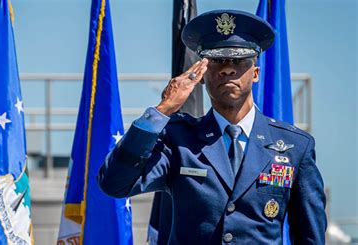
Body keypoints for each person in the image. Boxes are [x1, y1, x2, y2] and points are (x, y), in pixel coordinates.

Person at [97, 9, 327, 244]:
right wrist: (163, 110)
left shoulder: (294, 147)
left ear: (256, 73)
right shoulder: (178, 139)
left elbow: (311, 236)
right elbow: (114, 183)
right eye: (217, 61)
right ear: (203, 74)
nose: (228, 69)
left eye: (238, 61)